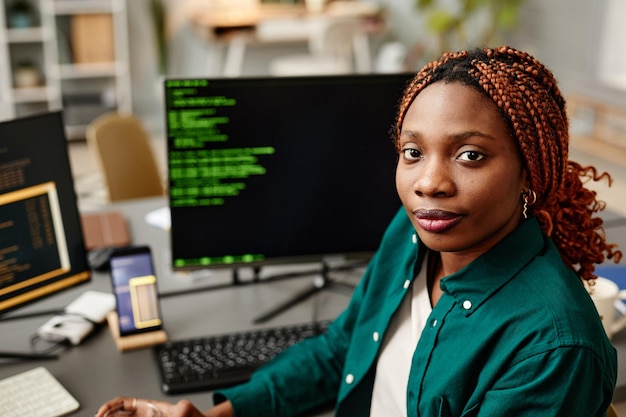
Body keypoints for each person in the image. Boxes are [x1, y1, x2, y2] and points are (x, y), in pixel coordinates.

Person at [96, 45, 623, 417]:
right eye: (412, 153)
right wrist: (220, 414)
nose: (429, 184)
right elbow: (341, 350)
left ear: (531, 172)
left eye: (470, 155)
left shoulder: (554, 350)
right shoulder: (413, 234)